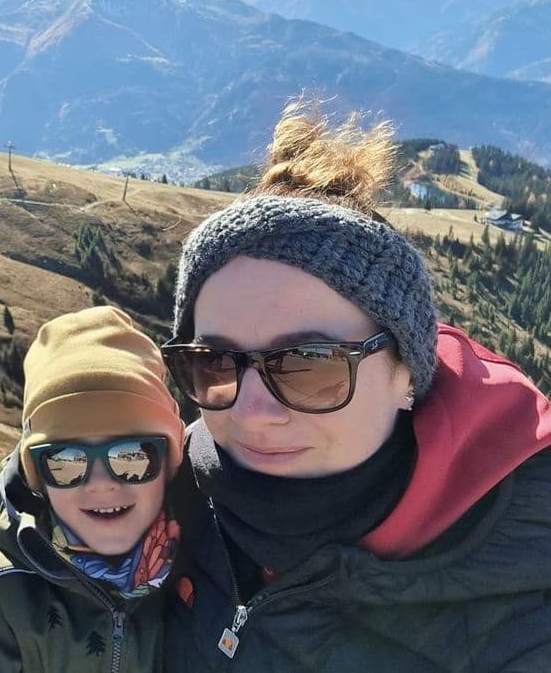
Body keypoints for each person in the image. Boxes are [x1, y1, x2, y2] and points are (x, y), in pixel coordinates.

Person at [161, 102, 551, 671]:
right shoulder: (167, 487)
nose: (253, 412)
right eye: (215, 361)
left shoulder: (525, 584)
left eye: (310, 363)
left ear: (407, 376)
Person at [0, 305, 186, 672]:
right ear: (38, 476)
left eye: (131, 456)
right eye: (66, 462)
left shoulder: (208, 563)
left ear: (169, 460)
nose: (101, 484)